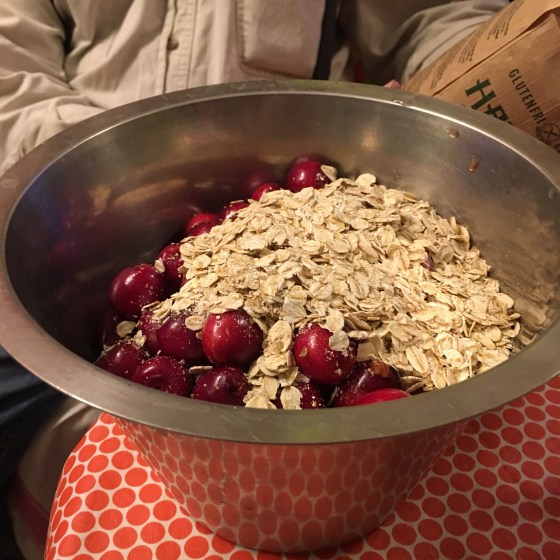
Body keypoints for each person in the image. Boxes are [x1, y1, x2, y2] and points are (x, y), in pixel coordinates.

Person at [0, 1, 510, 557]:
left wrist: (475, 82)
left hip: (274, 189)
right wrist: (95, 165)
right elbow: (11, 48)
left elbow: (431, 14)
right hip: (80, 188)